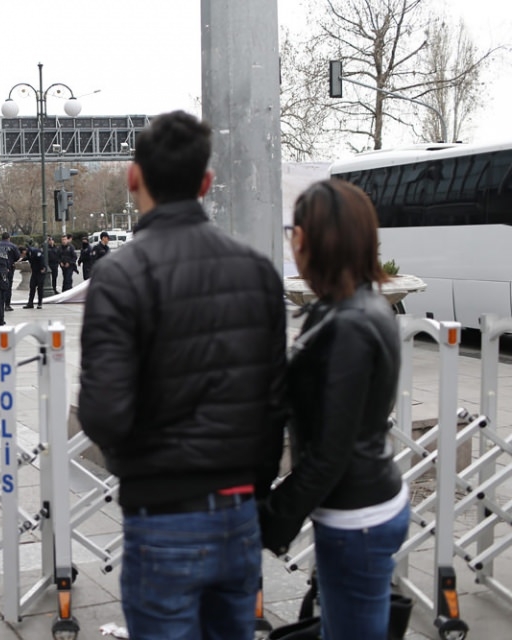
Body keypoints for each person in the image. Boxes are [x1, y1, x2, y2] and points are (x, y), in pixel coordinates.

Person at [78, 110, 287, 640]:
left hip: (162, 515)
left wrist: (139, 468)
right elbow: (273, 403)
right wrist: (254, 492)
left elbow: (103, 414)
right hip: (238, 511)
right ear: (205, 184)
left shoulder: (120, 275)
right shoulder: (257, 271)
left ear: (133, 177)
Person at [259, 179, 406, 640]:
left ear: (306, 238)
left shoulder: (351, 324)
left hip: (357, 518)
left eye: (293, 232)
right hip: (359, 508)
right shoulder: (352, 308)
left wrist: (270, 520)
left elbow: (330, 450)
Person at [0, 232, 21, 311]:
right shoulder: (13, 246)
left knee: (0, 286)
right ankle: (7, 305)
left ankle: (1, 304)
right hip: (9, 268)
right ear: (9, 238)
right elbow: (17, 257)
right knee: (8, 287)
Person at [20, 244, 45, 309]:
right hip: (34, 271)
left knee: (40, 287)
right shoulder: (29, 253)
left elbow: (41, 258)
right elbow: (28, 258)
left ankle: (40, 303)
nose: (23, 255)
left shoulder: (35, 251)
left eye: (22, 254)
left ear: (24, 251)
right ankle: (30, 303)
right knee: (32, 286)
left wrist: (42, 267)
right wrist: (21, 260)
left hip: (40, 271)